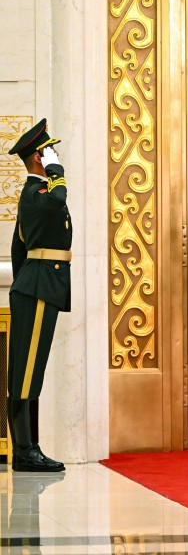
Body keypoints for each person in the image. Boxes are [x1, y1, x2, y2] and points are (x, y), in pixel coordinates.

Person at [6, 119, 70, 472]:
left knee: (30, 369)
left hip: (35, 285)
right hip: (39, 286)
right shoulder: (38, 193)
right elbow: (59, 195)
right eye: (49, 151)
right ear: (37, 159)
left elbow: (18, 248)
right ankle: (26, 451)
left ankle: (27, 448)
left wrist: (23, 285)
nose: (55, 155)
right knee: (27, 370)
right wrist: (55, 170)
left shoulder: (35, 196)